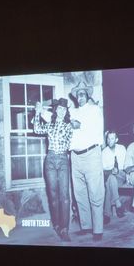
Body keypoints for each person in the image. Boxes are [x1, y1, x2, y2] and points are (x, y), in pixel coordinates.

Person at [30, 97, 77, 241]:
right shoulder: (50, 124)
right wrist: (38, 112)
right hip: (50, 160)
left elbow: (74, 139)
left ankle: (65, 229)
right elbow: (37, 129)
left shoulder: (70, 126)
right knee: (53, 195)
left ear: (66, 111)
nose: (62, 111)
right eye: (59, 108)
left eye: (64, 109)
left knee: (65, 196)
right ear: (56, 110)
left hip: (63, 160)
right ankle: (56, 224)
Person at [68, 84, 108, 241]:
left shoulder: (94, 110)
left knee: (95, 193)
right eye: (78, 94)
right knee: (80, 193)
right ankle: (86, 226)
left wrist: (80, 125)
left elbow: (96, 129)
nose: (80, 96)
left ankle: (98, 230)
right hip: (75, 156)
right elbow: (58, 119)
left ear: (88, 95)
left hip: (91, 154)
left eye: (83, 94)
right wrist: (42, 110)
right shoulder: (73, 112)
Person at [102, 131, 127, 221]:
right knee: (111, 180)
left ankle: (107, 214)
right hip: (109, 175)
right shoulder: (104, 152)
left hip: (121, 174)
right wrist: (110, 171)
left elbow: (126, 164)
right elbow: (103, 169)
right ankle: (118, 204)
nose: (110, 140)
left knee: (110, 183)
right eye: (108, 138)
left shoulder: (122, 149)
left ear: (116, 139)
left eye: (112, 138)